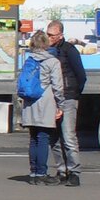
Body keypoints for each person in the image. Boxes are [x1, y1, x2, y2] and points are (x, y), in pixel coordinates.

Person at [46, 21, 87, 187]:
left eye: (51, 35)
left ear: (60, 35)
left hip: (68, 97)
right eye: (47, 34)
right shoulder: (48, 51)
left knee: (68, 136)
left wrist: (74, 93)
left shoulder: (70, 50)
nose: (48, 38)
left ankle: (74, 172)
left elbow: (81, 75)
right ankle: (61, 170)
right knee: (54, 137)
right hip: (52, 98)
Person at [20, 31, 64, 186]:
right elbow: (58, 87)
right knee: (43, 138)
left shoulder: (29, 60)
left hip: (30, 102)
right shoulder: (53, 62)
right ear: (46, 43)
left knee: (33, 138)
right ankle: (41, 173)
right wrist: (61, 105)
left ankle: (33, 173)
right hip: (45, 102)